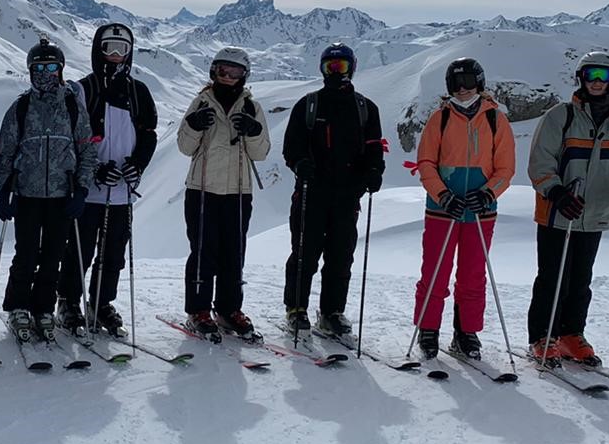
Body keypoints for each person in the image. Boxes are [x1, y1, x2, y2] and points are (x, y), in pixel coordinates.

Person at [526, 50, 609, 366]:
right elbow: (540, 162)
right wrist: (556, 192)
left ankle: (570, 334)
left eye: (603, 76)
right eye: (591, 74)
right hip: (559, 211)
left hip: (595, 213)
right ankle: (542, 336)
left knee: (581, 279)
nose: (596, 82)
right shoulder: (560, 117)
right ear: (580, 77)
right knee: (552, 277)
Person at [408, 56, 516, 359]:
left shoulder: (496, 119)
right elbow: (426, 162)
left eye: (469, 82)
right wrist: (443, 195)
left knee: (472, 274)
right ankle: (428, 331)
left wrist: (487, 194)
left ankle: (466, 333)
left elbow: (505, 168)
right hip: (443, 210)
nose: (463, 89)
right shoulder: (439, 118)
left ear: (480, 83)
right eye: (457, 83)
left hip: (480, 212)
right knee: (435, 272)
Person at [56, 22, 157, 335]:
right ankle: (69, 301)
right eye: (109, 48)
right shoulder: (83, 89)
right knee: (80, 249)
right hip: (89, 190)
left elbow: (148, 135)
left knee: (113, 251)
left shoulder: (138, 92)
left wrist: (137, 165)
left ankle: (101, 302)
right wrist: (94, 169)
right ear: (97, 51)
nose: (115, 55)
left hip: (122, 191)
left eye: (122, 49)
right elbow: (69, 138)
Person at [282, 43, 386, 339]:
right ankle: (296, 308)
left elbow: (373, 147)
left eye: (340, 67)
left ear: (351, 68)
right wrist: (300, 163)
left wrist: (375, 171)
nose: (335, 72)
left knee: (341, 256)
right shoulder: (309, 104)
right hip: (310, 193)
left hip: (347, 195)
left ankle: (331, 312)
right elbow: (292, 145)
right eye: (330, 67)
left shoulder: (365, 108)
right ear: (322, 69)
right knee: (304, 253)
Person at [0, 37, 95, 342]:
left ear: (61, 69)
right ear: (29, 70)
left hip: (61, 196)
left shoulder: (73, 106)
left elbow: (86, 151)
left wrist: (81, 189)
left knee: (53, 255)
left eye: (52, 66)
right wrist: (5, 190)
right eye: (39, 67)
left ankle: (43, 308)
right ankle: (18, 307)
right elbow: (7, 152)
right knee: (25, 254)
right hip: (27, 193)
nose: (45, 72)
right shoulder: (22, 107)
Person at [176, 47, 271, 340]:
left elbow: (262, 152)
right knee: (203, 251)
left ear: (245, 76)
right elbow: (184, 146)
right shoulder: (201, 102)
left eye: (235, 73)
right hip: (202, 188)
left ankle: (229, 310)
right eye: (223, 71)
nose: (228, 78)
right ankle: (198, 310)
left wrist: (253, 131)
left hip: (238, 191)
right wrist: (193, 125)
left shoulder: (252, 107)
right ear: (213, 72)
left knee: (233, 253)